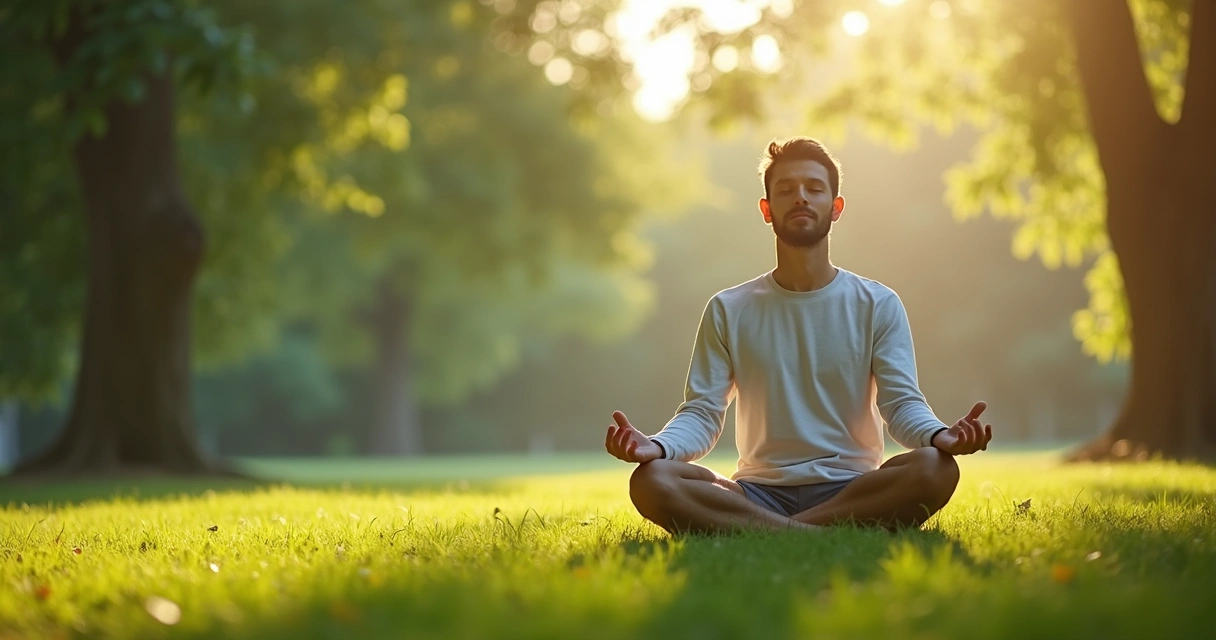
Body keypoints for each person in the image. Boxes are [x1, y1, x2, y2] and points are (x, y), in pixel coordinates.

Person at [604, 136, 994, 535]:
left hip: (854, 488)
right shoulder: (728, 308)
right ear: (766, 209)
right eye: (786, 190)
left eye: (814, 188)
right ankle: (813, 532)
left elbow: (901, 404)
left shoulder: (878, 303)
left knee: (934, 467)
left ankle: (766, 531)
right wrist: (656, 447)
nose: (801, 198)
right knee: (653, 480)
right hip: (757, 492)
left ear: (836, 207)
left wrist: (940, 435)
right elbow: (702, 413)